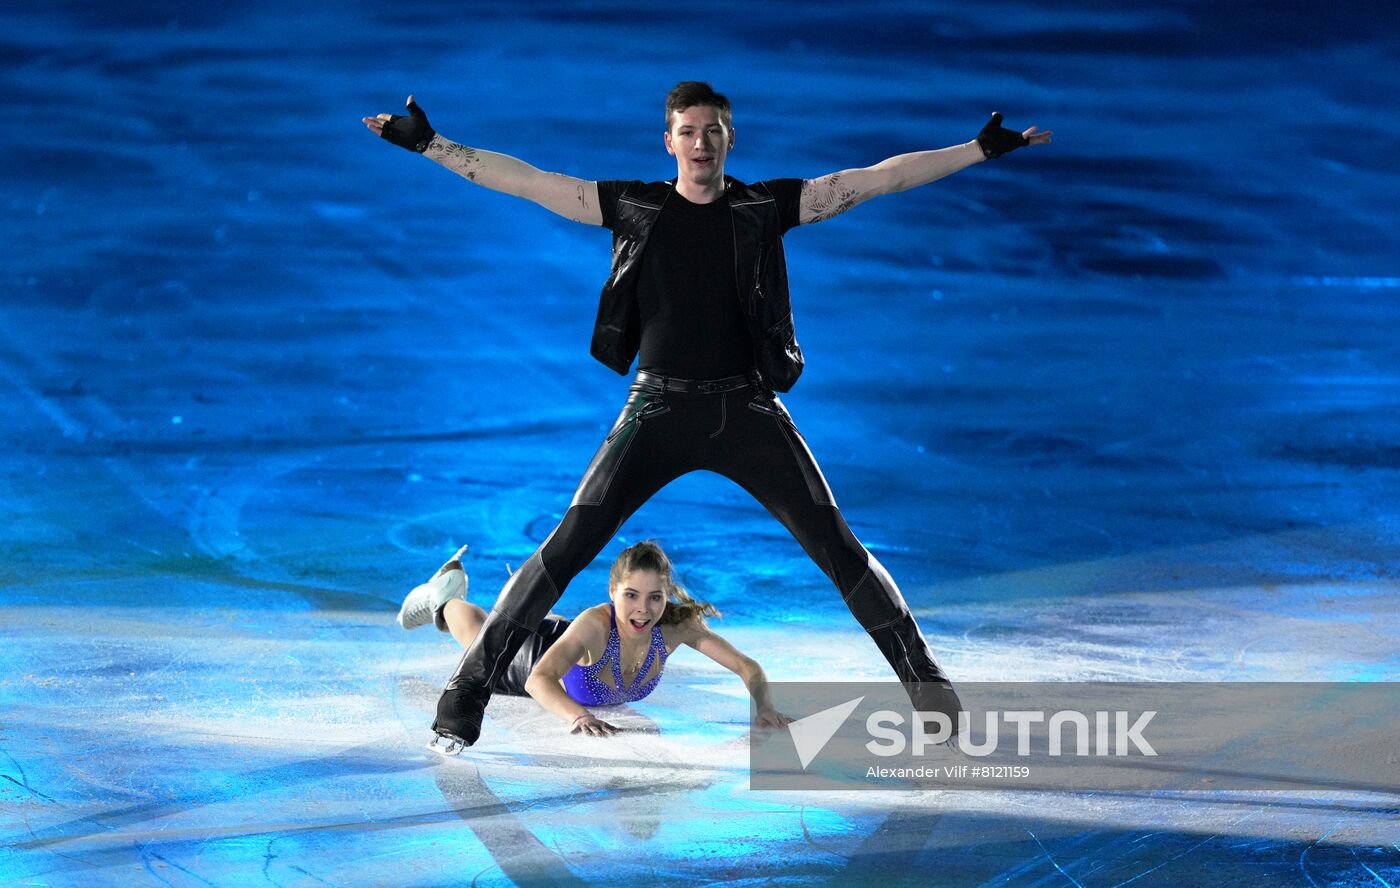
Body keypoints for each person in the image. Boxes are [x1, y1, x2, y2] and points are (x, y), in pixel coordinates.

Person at [363, 82, 1051, 750]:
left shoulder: (765, 205)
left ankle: (928, 686)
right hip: (656, 407)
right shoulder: (631, 205)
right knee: (568, 544)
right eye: (687, 132)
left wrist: (976, 151)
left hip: (746, 407)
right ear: (668, 142)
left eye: (712, 131)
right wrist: (433, 146)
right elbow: (527, 180)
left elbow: (878, 179)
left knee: (837, 546)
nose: (700, 143)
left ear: (729, 138)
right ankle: (466, 694)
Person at [397, 540, 791, 751]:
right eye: (631, 596)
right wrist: (577, 717)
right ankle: (445, 597)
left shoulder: (675, 627)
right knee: (477, 638)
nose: (643, 610)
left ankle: (454, 597)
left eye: (655, 597)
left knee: (485, 627)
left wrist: (766, 706)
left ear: (666, 594)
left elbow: (748, 667)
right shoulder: (596, 623)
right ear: (612, 592)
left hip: (561, 640)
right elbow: (539, 680)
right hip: (529, 659)